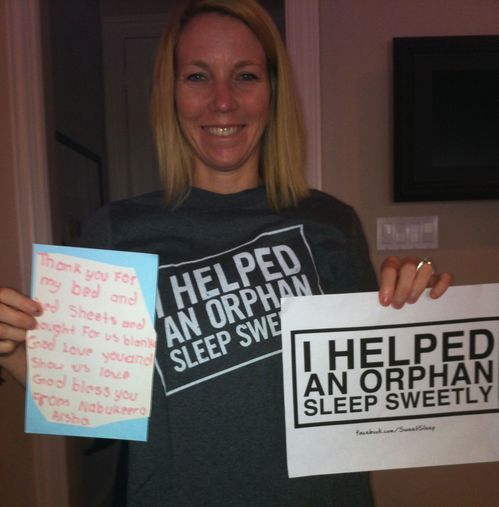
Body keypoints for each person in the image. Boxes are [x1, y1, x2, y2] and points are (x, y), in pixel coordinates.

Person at [0, 0, 452, 505]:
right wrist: (14, 351)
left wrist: (419, 315)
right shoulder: (115, 231)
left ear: (272, 92)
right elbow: (90, 415)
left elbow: (371, 403)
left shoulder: (331, 223)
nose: (222, 102)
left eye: (245, 76)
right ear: (170, 93)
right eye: (197, 76)